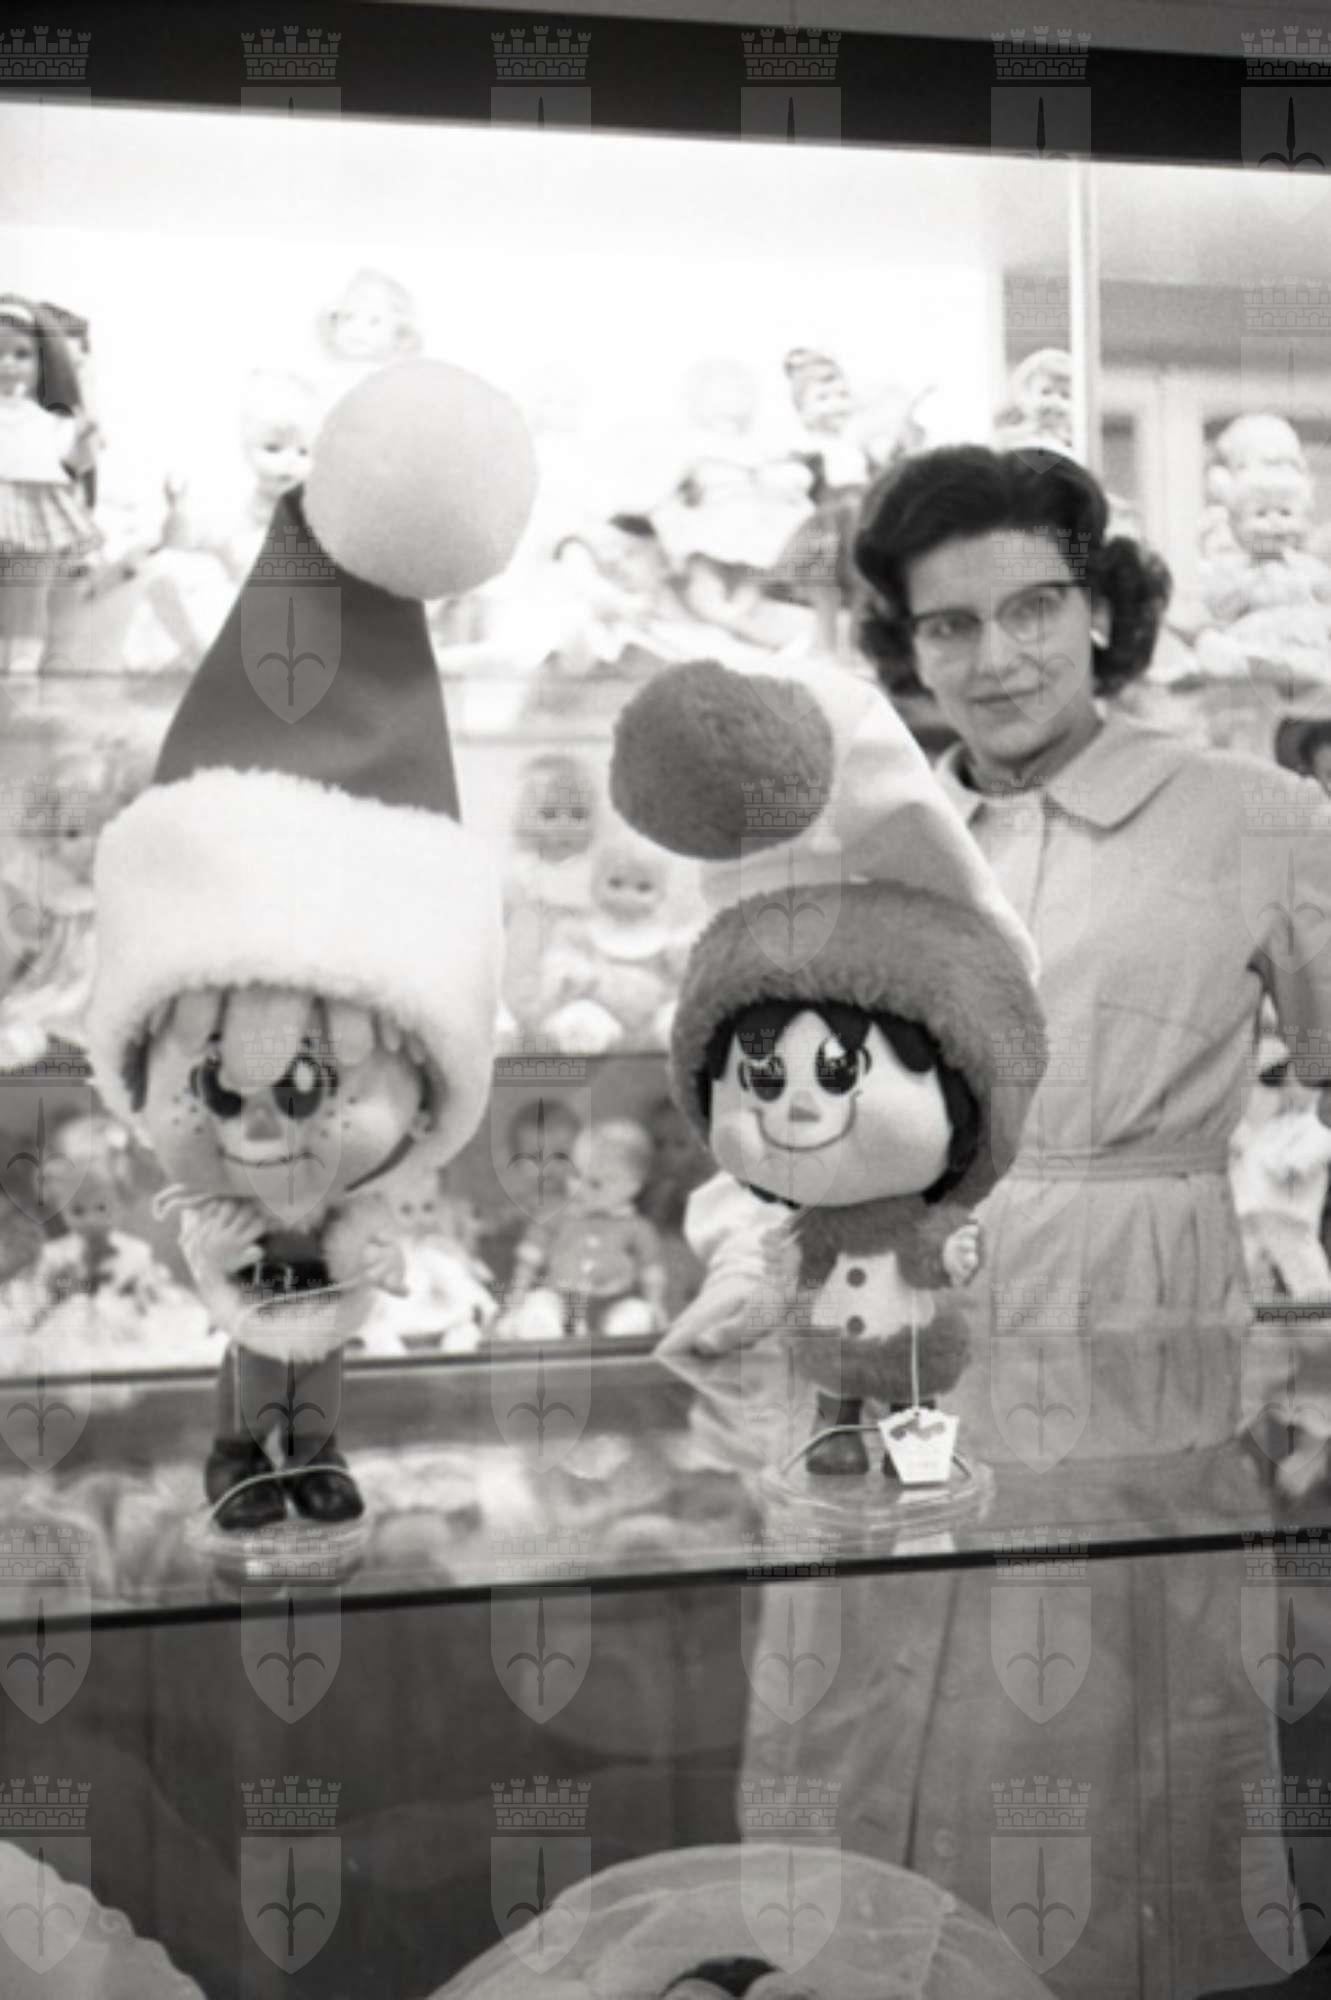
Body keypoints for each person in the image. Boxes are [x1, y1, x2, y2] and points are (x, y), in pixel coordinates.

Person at [661, 445, 1331, 1997]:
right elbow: (766, 1100)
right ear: (906, 646)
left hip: (1131, 1322)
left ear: (1100, 608)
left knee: (1100, 1750)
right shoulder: (860, 837)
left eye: (1032, 607)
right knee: (859, 1718)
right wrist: (740, 1260)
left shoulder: (1256, 817)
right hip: (870, 1321)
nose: (997, 656)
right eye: (948, 625)